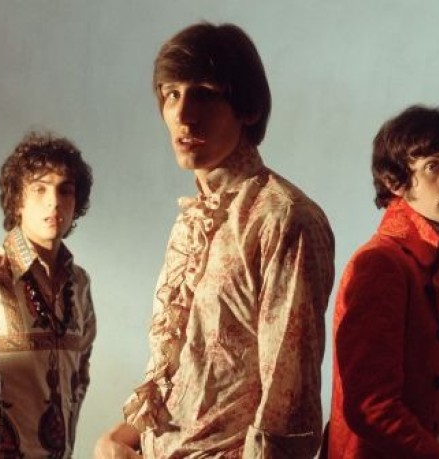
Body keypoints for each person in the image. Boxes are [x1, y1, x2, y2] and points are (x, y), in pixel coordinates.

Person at [95, 22, 335, 458]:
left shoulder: (283, 217)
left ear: (248, 109)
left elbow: (289, 405)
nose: (183, 114)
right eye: (171, 94)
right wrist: (122, 435)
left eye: (204, 93)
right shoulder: (194, 217)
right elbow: (187, 365)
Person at [322, 106, 439, 458]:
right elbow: (371, 407)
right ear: (394, 181)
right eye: (434, 166)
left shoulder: (432, 261)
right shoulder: (382, 263)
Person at [0, 131, 96, 458]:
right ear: (17, 201)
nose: (54, 202)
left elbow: (80, 377)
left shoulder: (80, 283)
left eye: (65, 190)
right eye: (40, 189)